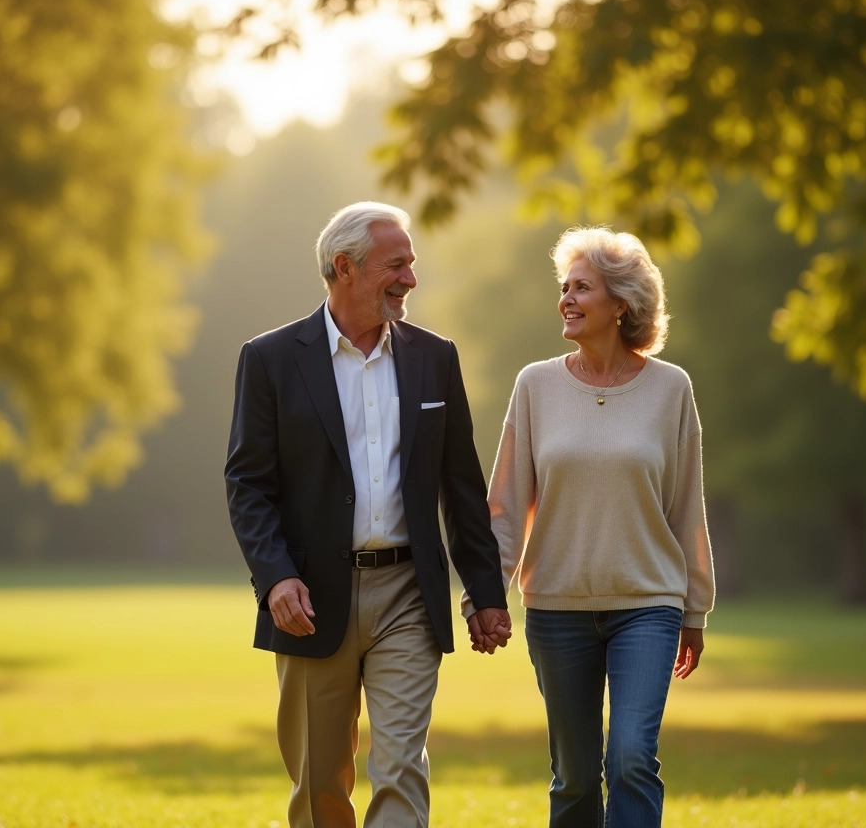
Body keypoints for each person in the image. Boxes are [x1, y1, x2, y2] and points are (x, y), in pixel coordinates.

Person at [225, 201, 512, 828]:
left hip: (409, 594)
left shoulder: (435, 357)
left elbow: (462, 486)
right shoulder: (271, 359)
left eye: (412, 263)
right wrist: (275, 577)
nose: (411, 278)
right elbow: (247, 483)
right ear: (345, 267)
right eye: (397, 264)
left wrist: (485, 592)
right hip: (310, 600)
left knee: (402, 766)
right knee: (319, 782)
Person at [468, 226, 715, 828]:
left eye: (582, 288)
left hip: (647, 605)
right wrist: (487, 594)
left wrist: (694, 610)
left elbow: (687, 507)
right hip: (556, 608)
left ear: (621, 303)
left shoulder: (671, 389)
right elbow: (505, 504)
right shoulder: (535, 386)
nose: (566, 300)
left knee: (632, 757)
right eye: (564, 287)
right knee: (575, 777)